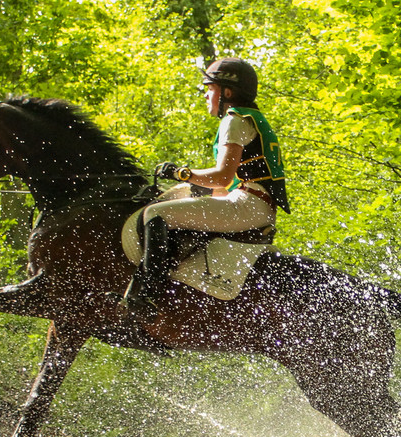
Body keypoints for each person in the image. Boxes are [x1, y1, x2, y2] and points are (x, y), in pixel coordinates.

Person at [118, 57, 291, 322]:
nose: (206, 95)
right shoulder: (253, 118)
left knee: (155, 215)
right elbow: (225, 184)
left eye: (209, 88)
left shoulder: (234, 120)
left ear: (227, 92)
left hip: (247, 204)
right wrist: (185, 185)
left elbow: (222, 177)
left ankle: (147, 294)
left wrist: (181, 173)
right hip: (254, 203)